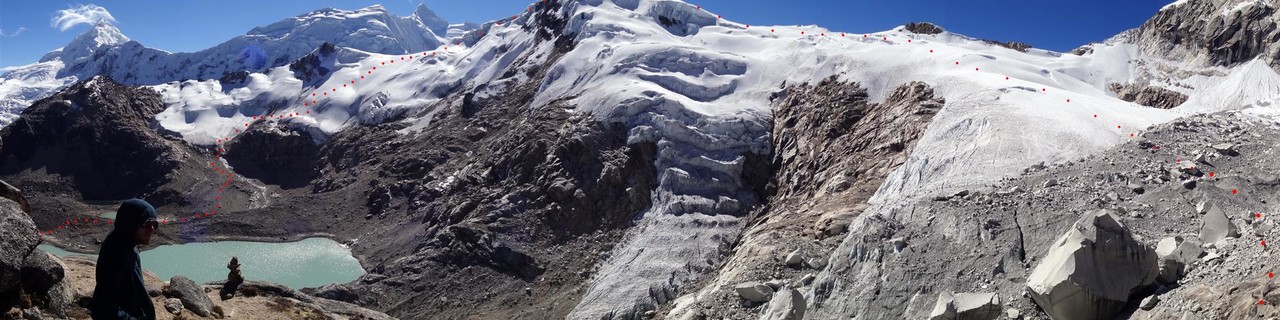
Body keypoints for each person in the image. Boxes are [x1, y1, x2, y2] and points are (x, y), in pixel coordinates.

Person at [90, 199, 159, 320]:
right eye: (147, 224)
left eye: (155, 224)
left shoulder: (126, 246)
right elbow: (104, 308)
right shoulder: (116, 255)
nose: (152, 229)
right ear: (131, 223)